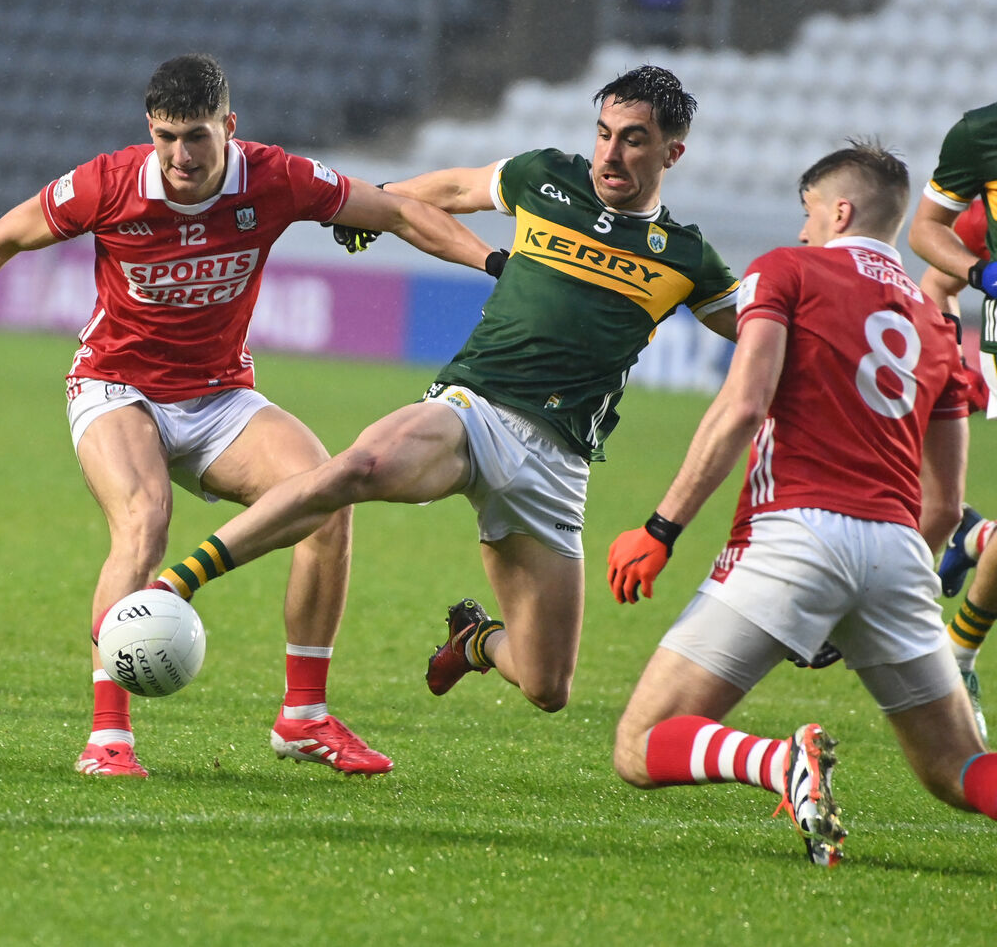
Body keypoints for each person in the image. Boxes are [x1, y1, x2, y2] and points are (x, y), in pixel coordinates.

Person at [0, 53, 494, 778]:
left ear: (229, 128)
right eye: (167, 137)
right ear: (150, 130)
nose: (180, 155)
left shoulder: (274, 178)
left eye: (197, 136)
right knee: (144, 519)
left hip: (218, 394)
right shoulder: (108, 183)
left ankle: (303, 718)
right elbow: (8, 233)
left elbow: (394, 211)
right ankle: (108, 738)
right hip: (115, 385)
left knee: (328, 500)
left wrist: (492, 265)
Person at [143, 65, 739, 725]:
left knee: (548, 686)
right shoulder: (547, 177)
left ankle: (475, 642)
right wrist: (381, 202)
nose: (610, 153)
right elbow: (456, 187)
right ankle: (178, 584)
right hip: (473, 410)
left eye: (632, 139)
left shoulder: (686, 258)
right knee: (356, 467)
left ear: (671, 153)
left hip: (558, 464)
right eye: (603, 134)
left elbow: (759, 338)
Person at [606, 140, 997, 868]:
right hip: (898, 551)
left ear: (839, 209)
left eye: (809, 214)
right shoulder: (939, 327)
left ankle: (778, 763)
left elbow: (743, 406)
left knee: (640, 742)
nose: (802, 231)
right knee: (957, 771)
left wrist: (662, 528)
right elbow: (945, 507)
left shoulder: (789, 270)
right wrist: (855, 609)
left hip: (795, 533)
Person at [910, 116, 997, 741]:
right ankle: (959, 652)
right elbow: (933, 263)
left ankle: (977, 541)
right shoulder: (982, 137)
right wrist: (984, 276)